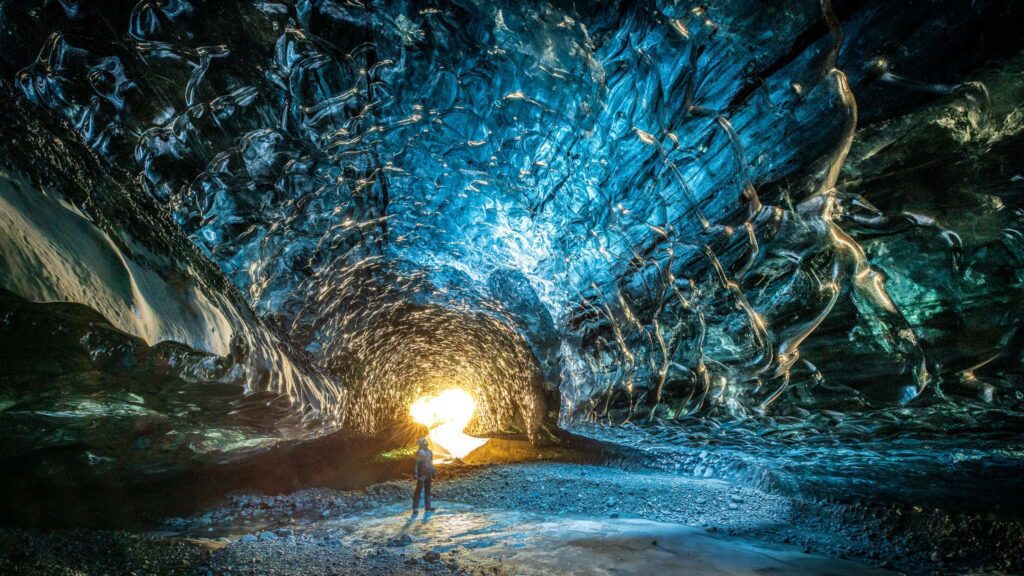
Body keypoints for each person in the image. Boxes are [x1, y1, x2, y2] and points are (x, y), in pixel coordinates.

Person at [412, 437, 436, 512]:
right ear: (421, 444)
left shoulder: (430, 452)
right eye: (424, 441)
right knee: (418, 491)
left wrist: (434, 471)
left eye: (426, 441)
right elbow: (416, 464)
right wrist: (415, 473)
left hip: (429, 473)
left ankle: (428, 507)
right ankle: (415, 508)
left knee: (428, 491)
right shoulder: (419, 452)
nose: (426, 442)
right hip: (421, 474)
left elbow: (431, 463)